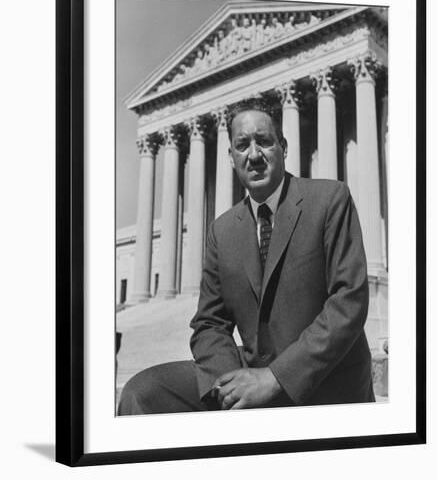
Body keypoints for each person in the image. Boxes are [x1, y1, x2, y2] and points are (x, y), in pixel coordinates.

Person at [118, 98, 374, 415]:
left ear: (283, 145)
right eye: (242, 145)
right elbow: (209, 324)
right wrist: (231, 386)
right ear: (231, 157)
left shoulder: (329, 199)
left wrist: (277, 378)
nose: (253, 155)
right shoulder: (222, 231)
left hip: (323, 380)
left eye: (264, 141)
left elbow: (348, 301)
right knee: (143, 392)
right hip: (253, 373)